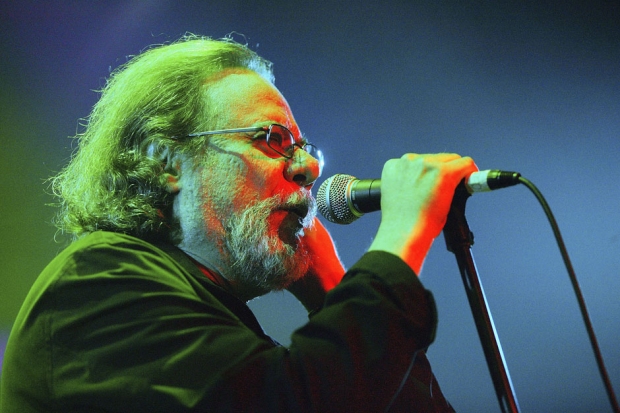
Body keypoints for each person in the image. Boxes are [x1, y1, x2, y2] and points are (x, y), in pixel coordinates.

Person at [0, 35, 477, 412]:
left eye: (304, 148)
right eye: (272, 138)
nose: (309, 169)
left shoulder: (219, 317)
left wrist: (332, 287)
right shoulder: (96, 285)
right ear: (167, 161)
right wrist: (400, 238)